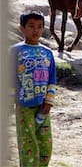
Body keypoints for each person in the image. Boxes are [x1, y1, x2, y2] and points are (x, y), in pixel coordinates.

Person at [12, 11, 57, 167]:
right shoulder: (15, 51)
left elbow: (52, 79)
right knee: (28, 144)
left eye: (39, 27)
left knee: (45, 145)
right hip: (24, 106)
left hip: (43, 106)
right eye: (31, 26)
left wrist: (49, 102)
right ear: (21, 28)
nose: (36, 30)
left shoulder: (48, 53)